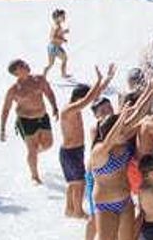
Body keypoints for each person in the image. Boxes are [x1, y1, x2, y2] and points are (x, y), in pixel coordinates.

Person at [90, 77, 153, 239]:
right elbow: (111, 137)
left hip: (125, 201)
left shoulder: (121, 141)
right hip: (106, 205)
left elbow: (139, 113)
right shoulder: (99, 151)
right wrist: (122, 116)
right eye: (121, 131)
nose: (126, 133)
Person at [59, 66, 115, 220]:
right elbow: (88, 99)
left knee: (73, 182)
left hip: (74, 150)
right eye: (84, 99)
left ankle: (69, 209)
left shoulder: (74, 108)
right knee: (79, 182)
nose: (88, 102)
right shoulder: (68, 110)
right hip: (70, 152)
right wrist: (98, 80)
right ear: (78, 98)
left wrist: (107, 79)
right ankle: (78, 212)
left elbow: (92, 96)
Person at [0, 59, 60, 184]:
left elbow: (49, 92)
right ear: (16, 73)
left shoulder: (39, 79)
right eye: (22, 66)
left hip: (42, 116)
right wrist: (2, 129)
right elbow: (6, 109)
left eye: (25, 63)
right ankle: (34, 176)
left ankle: (33, 154)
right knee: (32, 149)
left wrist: (54, 106)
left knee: (48, 144)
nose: (26, 65)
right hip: (26, 121)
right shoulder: (14, 90)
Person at [44, 9, 72, 79]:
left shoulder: (56, 25)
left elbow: (57, 34)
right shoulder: (57, 26)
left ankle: (44, 76)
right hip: (55, 47)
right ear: (57, 18)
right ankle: (63, 74)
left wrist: (64, 32)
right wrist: (62, 40)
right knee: (64, 59)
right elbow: (53, 38)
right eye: (62, 16)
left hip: (52, 47)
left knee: (51, 64)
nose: (64, 18)